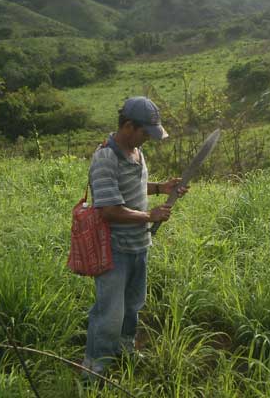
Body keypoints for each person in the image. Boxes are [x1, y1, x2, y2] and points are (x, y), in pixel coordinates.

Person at [82, 96, 188, 378]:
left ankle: (125, 350)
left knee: (132, 306)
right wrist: (149, 217)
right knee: (109, 314)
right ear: (128, 126)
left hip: (139, 246)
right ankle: (94, 371)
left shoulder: (136, 152)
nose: (148, 140)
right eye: (145, 133)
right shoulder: (106, 158)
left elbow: (136, 189)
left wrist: (161, 188)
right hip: (115, 250)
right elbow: (109, 211)